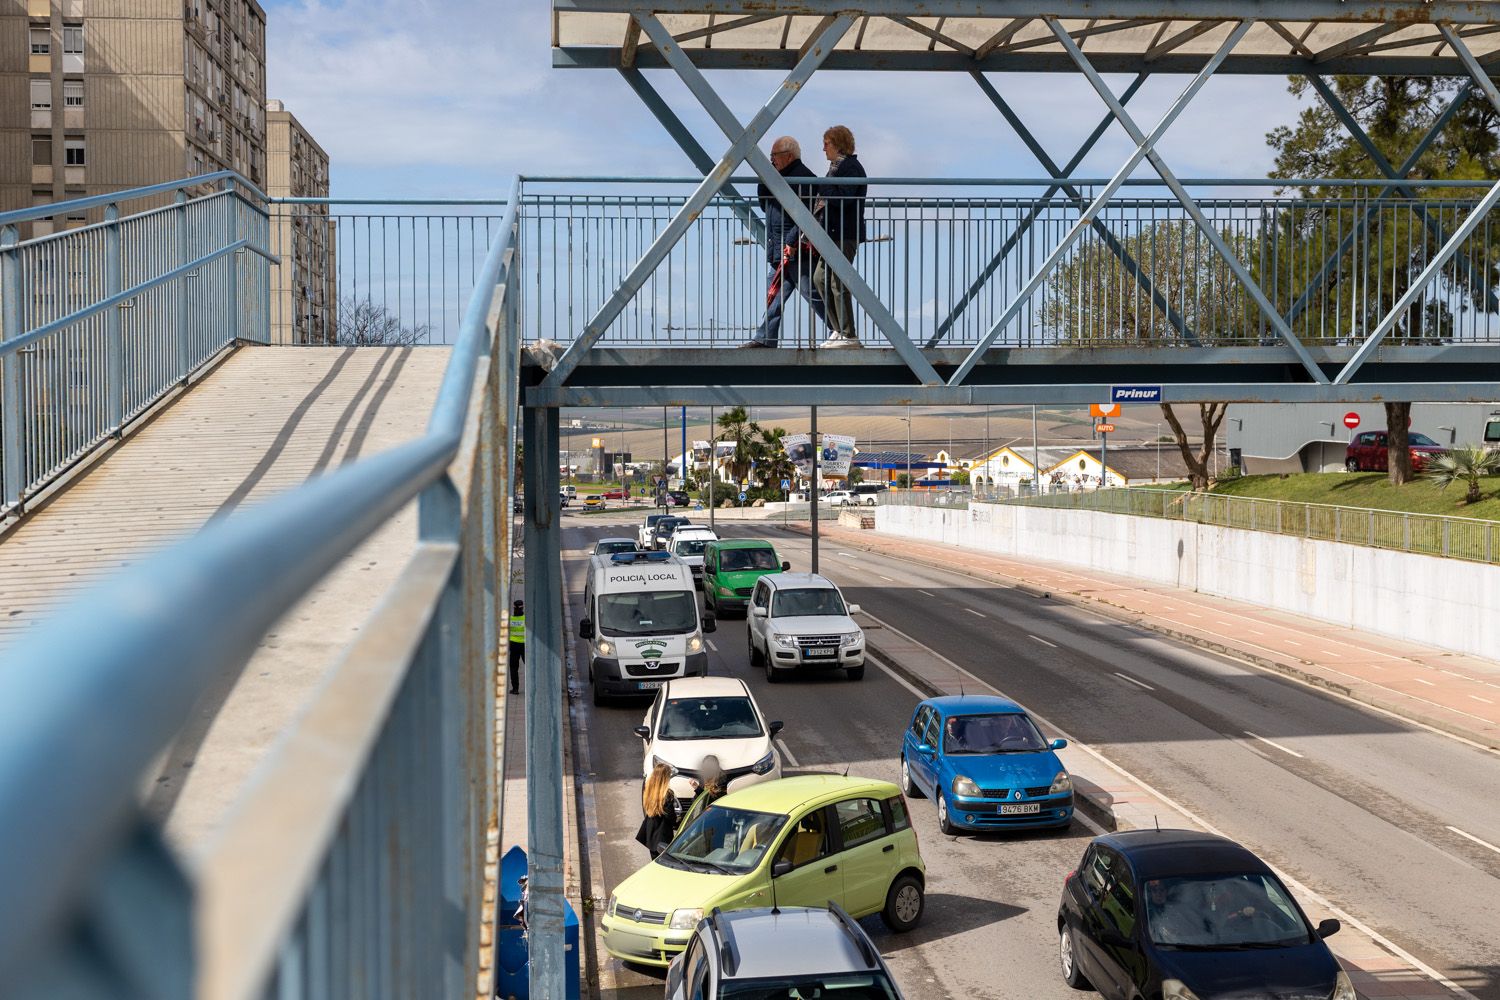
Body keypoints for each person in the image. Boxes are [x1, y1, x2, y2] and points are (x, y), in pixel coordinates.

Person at [745, 136, 827, 348]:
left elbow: (807, 217)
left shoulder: (804, 178)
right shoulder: (778, 177)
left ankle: (841, 330)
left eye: (774, 155)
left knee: (812, 294)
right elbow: (765, 206)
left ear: (788, 156)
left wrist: (790, 242)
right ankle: (765, 338)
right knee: (775, 296)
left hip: (794, 249)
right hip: (781, 249)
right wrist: (764, 180)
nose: (771, 160)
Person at [812, 125, 867, 349]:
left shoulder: (850, 167)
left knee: (836, 281)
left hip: (845, 233)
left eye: (827, 144)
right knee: (820, 279)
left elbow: (845, 197)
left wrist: (822, 188)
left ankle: (848, 334)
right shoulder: (837, 168)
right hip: (833, 232)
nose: (823, 148)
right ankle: (838, 329)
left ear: (838, 144)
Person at [635, 762, 678, 859]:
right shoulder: (667, 794)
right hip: (663, 836)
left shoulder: (649, 790)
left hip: (650, 834)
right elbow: (671, 817)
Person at [508, 599, 525, 694]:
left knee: (514, 668)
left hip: (514, 646)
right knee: (529, 666)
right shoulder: (525, 619)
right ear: (522, 607)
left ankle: (515, 689)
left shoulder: (511, 619)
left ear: (514, 608)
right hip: (524, 646)